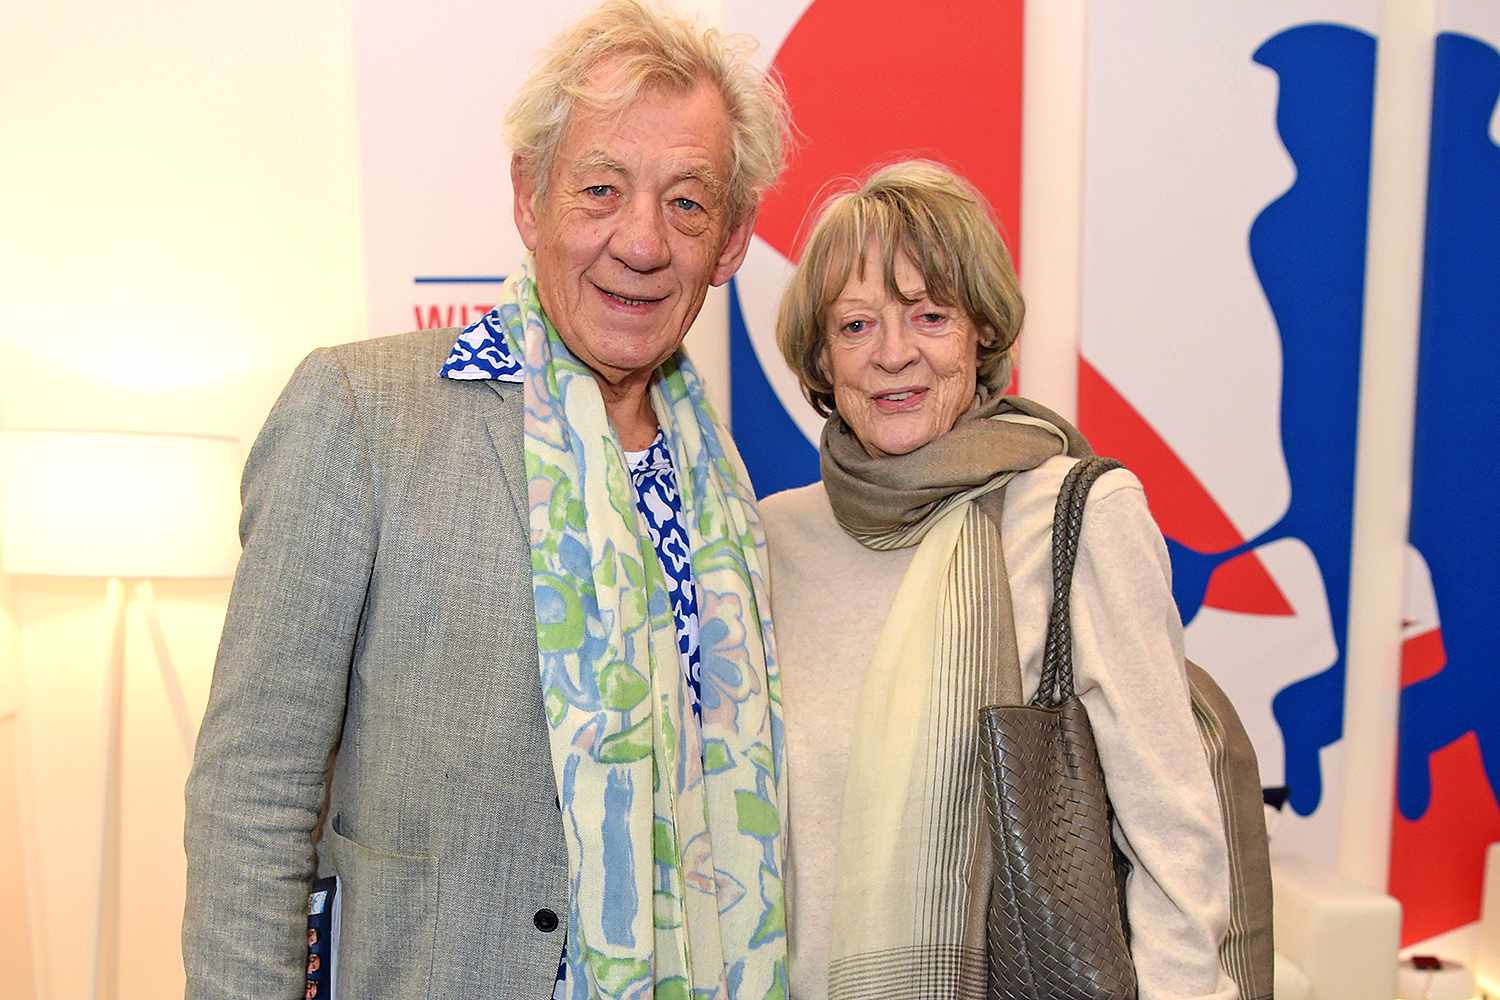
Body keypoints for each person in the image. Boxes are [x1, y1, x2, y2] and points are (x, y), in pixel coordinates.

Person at [183, 3, 792, 997]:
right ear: (529, 197)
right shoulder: (363, 416)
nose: (641, 242)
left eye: (687, 202)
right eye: (600, 189)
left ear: (731, 240)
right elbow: (251, 795)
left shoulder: (722, 488)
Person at [760, 160, 1237, 1000]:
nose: (893, 354)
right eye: (857, 325)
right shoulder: (774, 539)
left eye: (929, 315)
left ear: (981, 332)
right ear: (821, 359)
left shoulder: (1075, 516)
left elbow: (1174, 836)